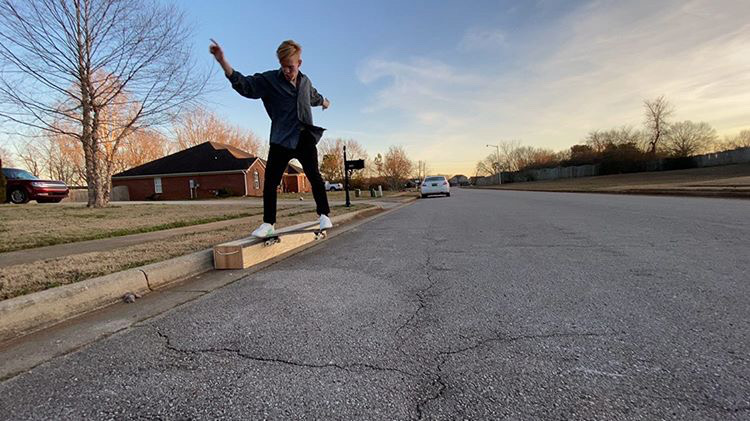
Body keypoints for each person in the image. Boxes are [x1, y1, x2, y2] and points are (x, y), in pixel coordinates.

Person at [209, 38, 332, 238]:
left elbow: (314, 96)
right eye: (283, 67)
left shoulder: (305, 81)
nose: (287, 71)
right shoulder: (270, 81)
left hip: (304, 137)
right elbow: (246, 85)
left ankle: (324, 214)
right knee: (270, 181)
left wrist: (325, 102)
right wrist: (224, 62)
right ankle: (268, 223)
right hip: (281, 139)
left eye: (290, 67)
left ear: (299, 64)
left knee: (314, 175)